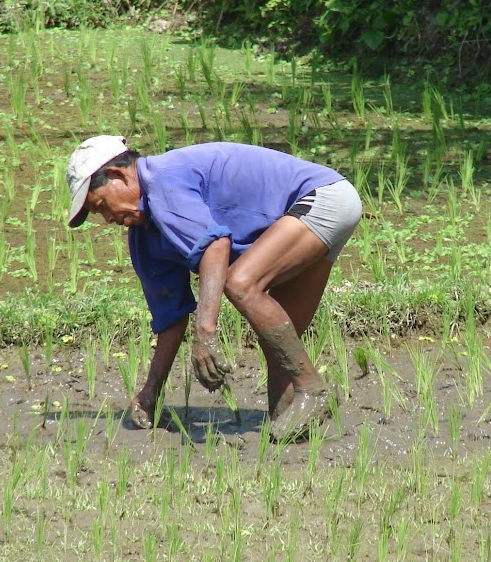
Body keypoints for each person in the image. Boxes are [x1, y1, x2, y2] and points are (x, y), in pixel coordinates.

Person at [65, 136, 362, 442]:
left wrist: (206, 331)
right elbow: (171, 319)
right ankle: (294, 442)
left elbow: (215, 245)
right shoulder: (144, 238)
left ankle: (313, 389)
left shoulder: (162, 180)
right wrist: (151, 391)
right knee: (279, 345)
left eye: (101, 205)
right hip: (318, 212)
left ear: (117, 174)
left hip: (323, 198)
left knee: (241, 283)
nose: (108, 219)